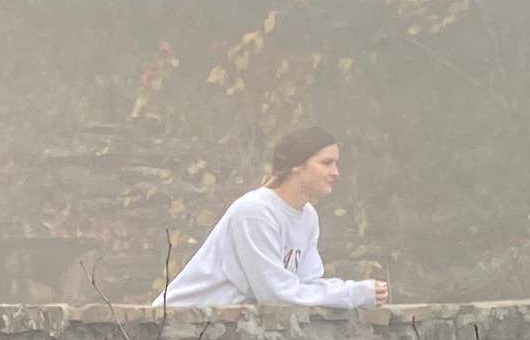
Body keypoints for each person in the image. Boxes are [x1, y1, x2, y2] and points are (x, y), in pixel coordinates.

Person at [156, 125, 387, 312]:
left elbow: (307, 286)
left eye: (336, 163)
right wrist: (353, 295)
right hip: (176, 327)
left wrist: (358, 291)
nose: (336, 172)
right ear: (297, 165)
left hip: (224, 330)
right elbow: (276, 295)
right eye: (326, 163)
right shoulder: (255, 212)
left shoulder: (307, 216)